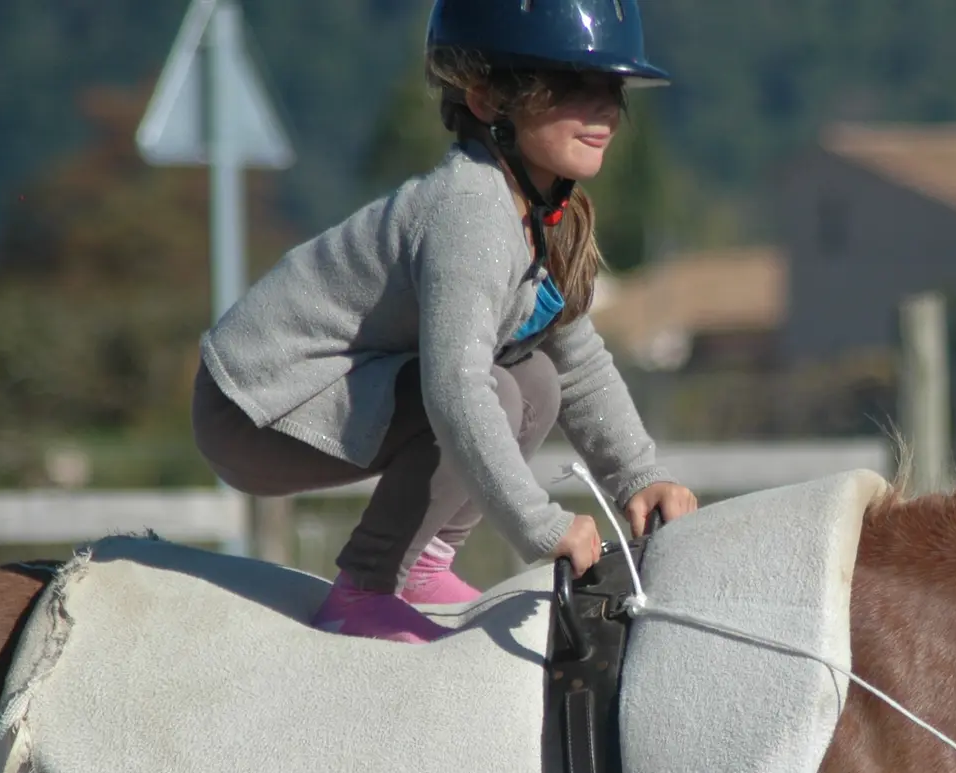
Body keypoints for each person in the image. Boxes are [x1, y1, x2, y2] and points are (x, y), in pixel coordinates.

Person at [191, 0, 697, 644]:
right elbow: (456, 392)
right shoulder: (472, 209)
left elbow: (576, 359)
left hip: (319, 396)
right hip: (252, 408)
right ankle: (365, 589)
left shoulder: (543, 213)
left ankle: (424, 563)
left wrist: (638, 477)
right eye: (570, 84)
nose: (601, 107)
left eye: (611, 87)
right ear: (486, 99)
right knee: (500, 388)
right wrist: (539, 524)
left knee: (536, 376)